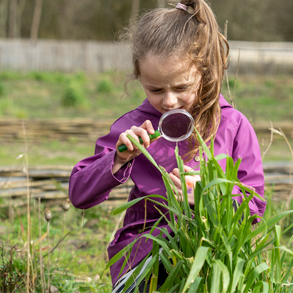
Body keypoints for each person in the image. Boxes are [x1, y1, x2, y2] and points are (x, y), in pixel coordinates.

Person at [69, 0, 266, 292]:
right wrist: (119, 159)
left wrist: (207, 195)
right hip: (146, 257)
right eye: (155, 90)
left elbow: (255, 208)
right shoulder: (133, 127)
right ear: (139, 77)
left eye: (181, 87)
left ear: (205, 70)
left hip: (214, 257)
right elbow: (79, 193)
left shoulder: (234, 126)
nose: (169, 101)